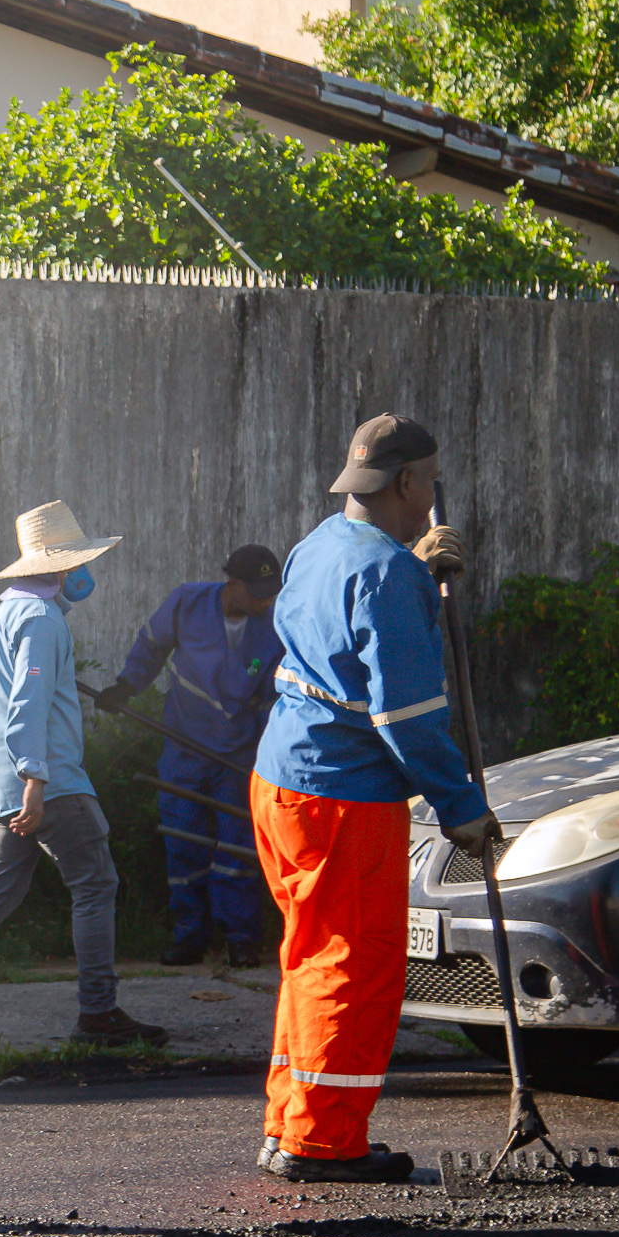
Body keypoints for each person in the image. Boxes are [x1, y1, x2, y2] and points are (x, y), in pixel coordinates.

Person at [252, 415, 497, 1183]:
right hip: (343, 799)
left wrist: (415, 573)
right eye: (426, 480)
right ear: (407, 484)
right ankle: (322, 1142)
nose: (430, 493)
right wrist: (461, 807)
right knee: (353, 965)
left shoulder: (321, 542)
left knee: (309, 955)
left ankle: (289, 1122)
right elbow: (407, 717)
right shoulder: (390, 574)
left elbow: (347, 628)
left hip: (283, 782)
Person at [0, 502, 167, 1053]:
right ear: (63, 567)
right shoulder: (42, 620)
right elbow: (28, 703)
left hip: (2, 784)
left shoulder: (11, 612)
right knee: (96, 885)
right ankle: (98, 1013)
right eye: (80, 564)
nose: (85, 574)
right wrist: (36, 783)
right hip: (48, 781)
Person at [96, 543, 285, 969]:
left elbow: (277, 695)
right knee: (183, 842)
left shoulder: (274, 627)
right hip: (184, 747)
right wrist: (126, 687)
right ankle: (190, 936)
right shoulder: (187, 602)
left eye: (269, 592)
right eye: (256, 591)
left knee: (237, 848)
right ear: (231, 584)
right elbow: (149, 647)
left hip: (239, 754)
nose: (264, 600)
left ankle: (240, 937)